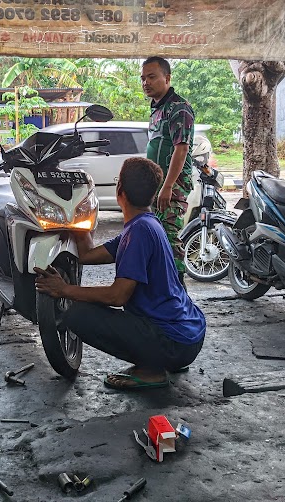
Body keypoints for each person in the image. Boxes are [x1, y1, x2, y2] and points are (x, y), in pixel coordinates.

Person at [34, 157, 205, 390]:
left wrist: (65, 290)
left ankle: (151, 371)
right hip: (189, 334)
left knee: (77, 316)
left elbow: (118, 296)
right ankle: (163, 360)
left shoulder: (139, 232)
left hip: (175, 342)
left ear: (119, 190)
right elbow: (87, 255)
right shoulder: (146, 224)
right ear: (152, 195)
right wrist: (74, 217)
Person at [141, 56, 195, 284]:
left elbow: (181, 149)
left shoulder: (178, 108)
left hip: (171, 186)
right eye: (143, 78)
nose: (146, 82)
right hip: (158, 184)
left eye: (152, 77)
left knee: (170, 238)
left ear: (167, 78)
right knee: (157, 236)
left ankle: (179, 294)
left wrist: (168, 186)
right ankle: (161, 291)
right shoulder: (157, 109)